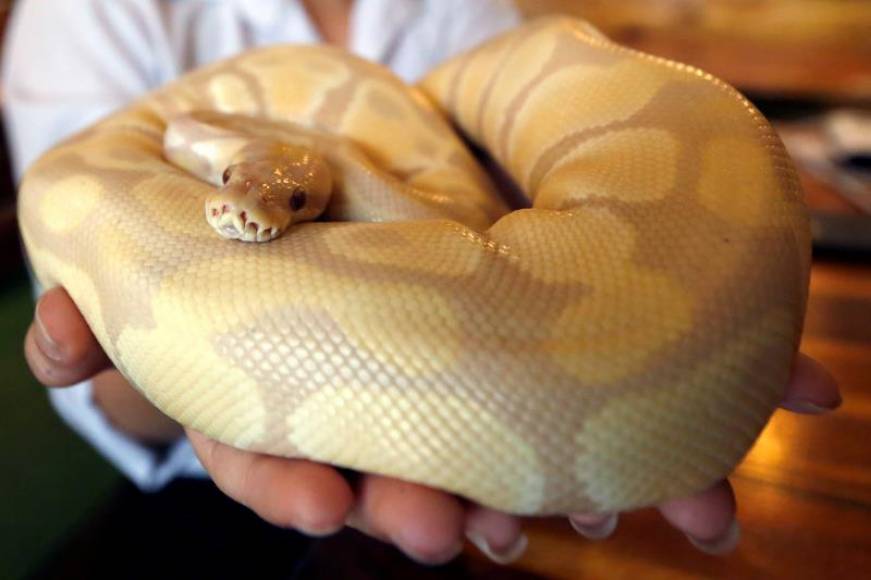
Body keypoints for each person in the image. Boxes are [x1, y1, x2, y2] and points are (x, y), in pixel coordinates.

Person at [5, 0, 841, 567]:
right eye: (239, 185)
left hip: (462, 508)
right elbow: (103, 389)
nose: (245, 211)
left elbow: (472, 195)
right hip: (199, 520)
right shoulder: (84, 14)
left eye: (289, 200)